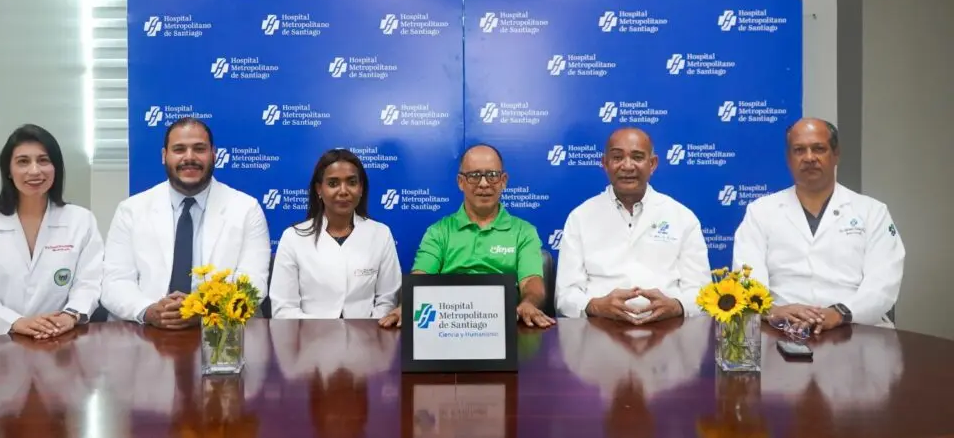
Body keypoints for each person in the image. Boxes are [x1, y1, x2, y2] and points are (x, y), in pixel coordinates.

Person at [732, 118, 906, 332]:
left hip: (855, 326)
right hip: (782, 327)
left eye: (819, 149)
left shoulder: (872, 212)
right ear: (789, 158)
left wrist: (839, 313)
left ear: (836, 155)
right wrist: (772, 310)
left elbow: (884, 283)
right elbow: (746, 277)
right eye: (799, 150)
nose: (809, 158)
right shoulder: (760, 211)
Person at [101, 118, 271, 328]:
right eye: (179, 149)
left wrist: (204, 310)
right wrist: (149, 310)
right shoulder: (131, 210)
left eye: (199, 149)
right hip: (148, 332)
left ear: (213, 155)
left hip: (221, 333)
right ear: (164, 156)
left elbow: (254, 283)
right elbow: (114, 282)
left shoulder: (246, 209)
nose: (189, 157)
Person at [0, 124, 104, 342]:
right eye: (23, 161)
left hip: (57, 341)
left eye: (43, 160)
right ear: (8, 170)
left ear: (56, 168)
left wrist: (70, 315)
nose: (34, 171)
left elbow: (89, 282)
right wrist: (15, 322)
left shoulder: (80, 220)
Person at [378, 144, 554, 329]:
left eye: (492, 175)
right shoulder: (438, 232)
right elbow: (421, 277)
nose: (484, 183)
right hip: (448, 326)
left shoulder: (524, 231)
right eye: (474, 176)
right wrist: (407, 305)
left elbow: (531, 282)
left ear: (503, 181)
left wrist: (529, 303)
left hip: (506, 329)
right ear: (461, 182)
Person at [554, 127, 711, 323]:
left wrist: (677, 305)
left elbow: (702, 292)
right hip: (599, 331)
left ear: (652, 164)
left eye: (637, 157)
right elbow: (565, 295)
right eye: (617, 157)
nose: (627, 166)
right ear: (605, 163)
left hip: (668, 332)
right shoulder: (580, 217)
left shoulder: (682, 217)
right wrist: (594, 306)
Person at [268, 149, 401, 318]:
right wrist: (329, 331)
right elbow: (283, 309)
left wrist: (366, 332)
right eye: (333, 183)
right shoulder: (293, 237)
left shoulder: (381, 234)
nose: (343, 190)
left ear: (361, 188)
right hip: (308, 339)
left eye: (352, 182)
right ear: (319, 189)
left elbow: (387, 301)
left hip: (367, 339)